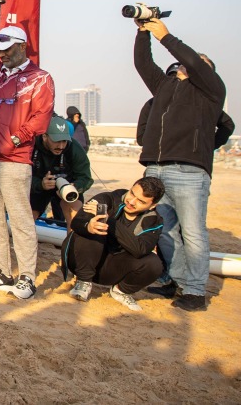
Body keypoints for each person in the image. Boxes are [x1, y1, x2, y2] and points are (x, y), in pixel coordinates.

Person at [133, 18, 228, 311]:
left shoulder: (211, 92)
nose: (188, 63)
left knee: (193, 233)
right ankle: (176, 281)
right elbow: (142, 63)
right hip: (156, 171)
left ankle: (196, 292)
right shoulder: (164, 87)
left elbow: (192, 60)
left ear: (207, 72)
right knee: (166, 231)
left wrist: (166, 36)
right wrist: (142, 31)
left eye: (199, 62)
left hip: (189, 173)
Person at [0, 1, 55, 301]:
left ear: (22, 46)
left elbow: (41, 118)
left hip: (14, 160)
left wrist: (17, 140)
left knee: (19, 219)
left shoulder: (40, 78)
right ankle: (2, 271)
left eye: (6, 48)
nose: (0, 54)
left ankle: (27, 277)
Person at [62, 177, 166, 312]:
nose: (132, 202)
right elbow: (77, 223)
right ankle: (83, 283)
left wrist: (110, 221)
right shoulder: (106, 199)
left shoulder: (154, 220)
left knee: (154, 263)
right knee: (97, 227)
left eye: (141, 201)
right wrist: (89, 226)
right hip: (81, 260)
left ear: (152, 206)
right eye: (132, 193)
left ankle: (121, 291)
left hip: (112, 269)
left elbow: (141, 250)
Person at [30, 115, 92, 223]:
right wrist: (40, 184)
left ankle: (70, 239)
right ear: (45, 136)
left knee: (75, 214)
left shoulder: (74, 148)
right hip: (39, 186)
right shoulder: (31, 145)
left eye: (64, 141)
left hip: (66, 187)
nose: (61, 146)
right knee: (28, 216)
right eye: (57, 141)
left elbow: (86, 178)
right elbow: (21, 176)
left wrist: (76, 187)